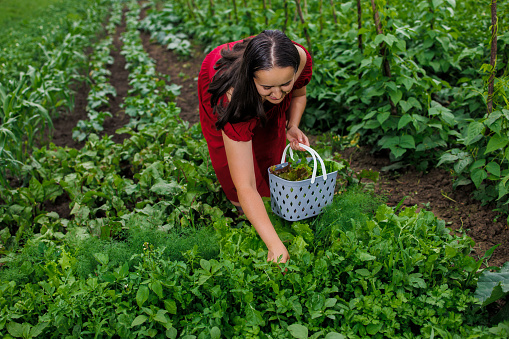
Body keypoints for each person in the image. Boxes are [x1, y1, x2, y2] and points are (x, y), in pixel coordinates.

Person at [198, 30, 312, 264]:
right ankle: (245, 213)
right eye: (268, 88)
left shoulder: (296, 58)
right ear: (252, 78)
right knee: (230, 165)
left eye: (285, 84)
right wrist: (275, 245)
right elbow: (246, 185)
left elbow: (299, 94)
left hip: (260, 68)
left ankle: (267, 204)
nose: (279, 95)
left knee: (270, 145)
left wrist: (292, 125)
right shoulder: (232, 97)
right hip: (225, 82)